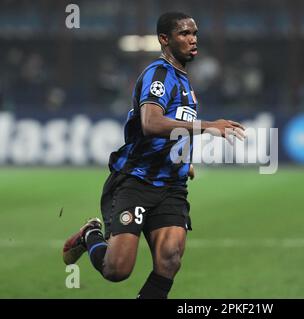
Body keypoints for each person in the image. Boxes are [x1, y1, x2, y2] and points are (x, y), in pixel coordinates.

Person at [62, 12, 245, 299]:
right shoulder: (158, 74)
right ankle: (90, 236)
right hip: (136, 182)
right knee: (117, 270)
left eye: (194, 33)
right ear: (164, 39)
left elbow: (175, 130)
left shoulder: (186, 83)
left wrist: (185, 161)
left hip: (171, 186)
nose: (193, 39)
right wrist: (209, 126)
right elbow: (151, 123)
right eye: (184, 34)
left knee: (170, 259)